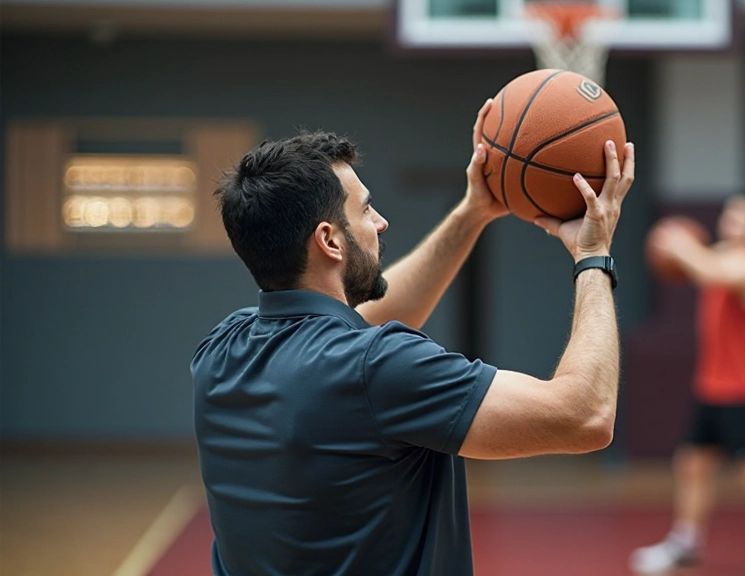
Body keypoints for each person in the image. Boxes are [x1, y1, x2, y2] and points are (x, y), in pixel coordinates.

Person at [190, 98, 636, 576]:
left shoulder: (220, 349)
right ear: (330, 240)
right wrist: (593, 255)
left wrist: (473, 211)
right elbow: (586, 416)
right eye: (365, 209)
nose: (380, 222)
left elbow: (365, 324)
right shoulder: (377, 367)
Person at [630, 196, 745, 576]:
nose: (734, 221)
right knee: (692, 464)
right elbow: (702, 266)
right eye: (731, 214)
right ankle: (686, 543)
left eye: (744, 217)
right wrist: (678, 250)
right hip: (711, 387)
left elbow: (712, 272)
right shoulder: (718, 254)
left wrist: (678, 242)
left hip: (743, 389)